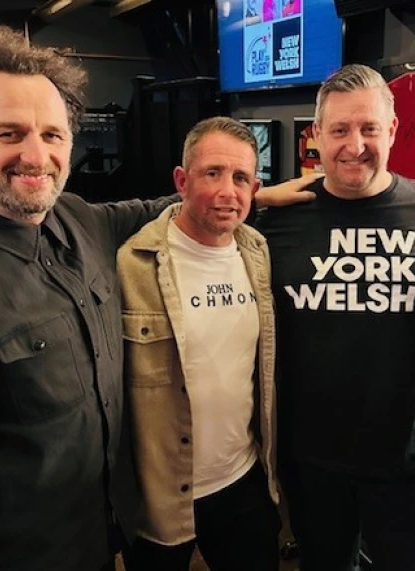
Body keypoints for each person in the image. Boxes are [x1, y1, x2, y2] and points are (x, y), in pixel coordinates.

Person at [0, 25, 313, 571]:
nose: (36, 156)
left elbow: (162, 207)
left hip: (106, 534)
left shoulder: (78, 220)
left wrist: (248, 196)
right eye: (9, 133)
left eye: (52, 135)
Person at [255, 63, 415, 571]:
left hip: (406, 462)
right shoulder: (277, 221)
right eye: (340, 130)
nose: (356, 144)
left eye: (369, 128)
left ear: (392, 131)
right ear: (316, 136)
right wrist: (254, 197)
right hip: (310, 462)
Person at [117, 116, 280, 570]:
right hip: (162, 496)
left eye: (241, 178)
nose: (228, 192)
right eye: (213, 174)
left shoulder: (257, 251)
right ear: (181, 181)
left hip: (244, 479)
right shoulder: (130, 264)